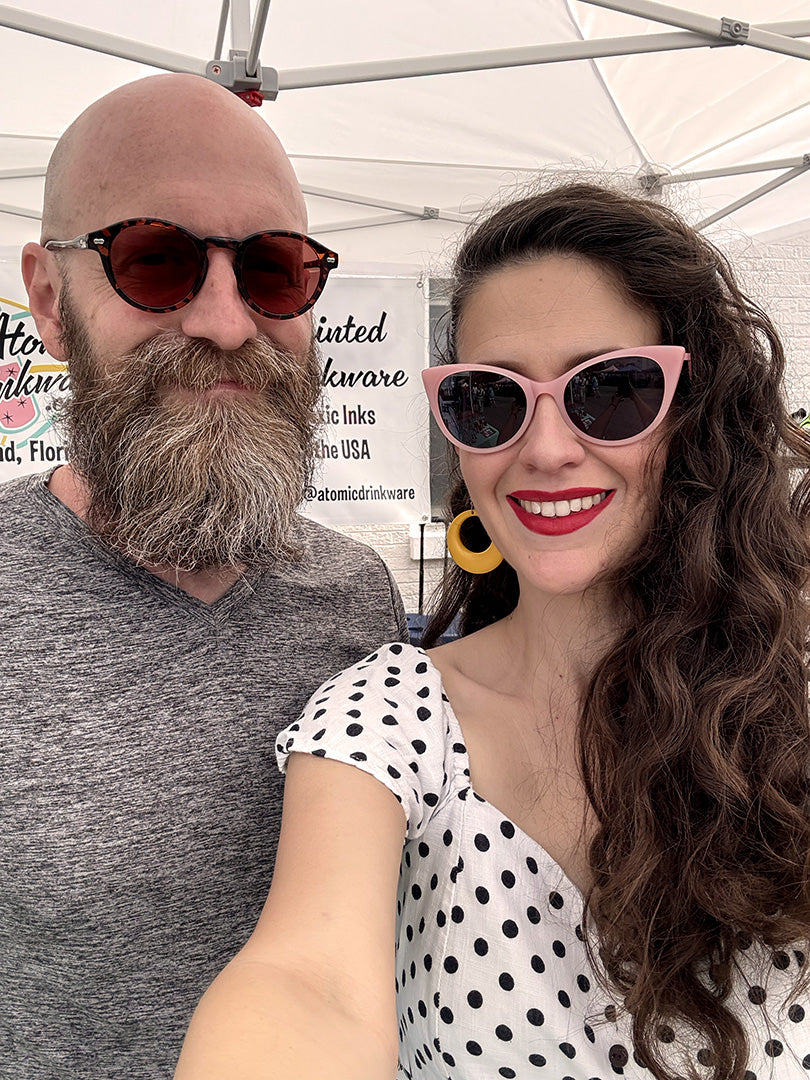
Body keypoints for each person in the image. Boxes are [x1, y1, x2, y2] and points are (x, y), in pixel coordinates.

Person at [175, 181, 810, 1080]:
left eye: (614, 390)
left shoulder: (794, 692)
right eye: (489, 399)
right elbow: (305, 982)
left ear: (697, 413)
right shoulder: (388, 715)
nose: (545, 447)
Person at [1, 73, 407, 1079]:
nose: (228, 323)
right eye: (155, 261)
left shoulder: (360, 598)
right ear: (49, 300)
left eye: (274, 271)